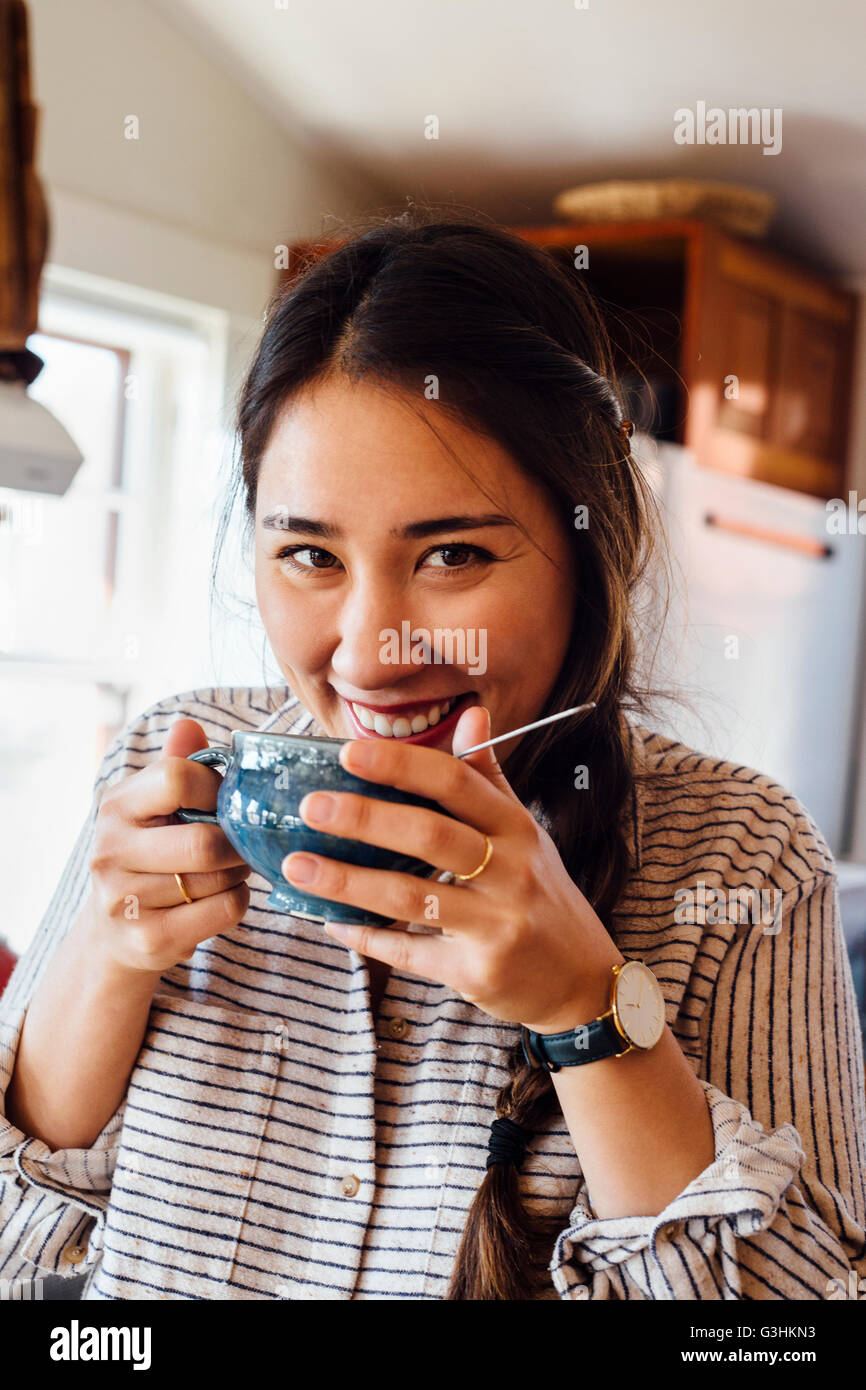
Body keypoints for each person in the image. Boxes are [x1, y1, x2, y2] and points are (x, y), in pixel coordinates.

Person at [1, 206, 864, 1301]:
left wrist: (588, 1012)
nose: (370, 650)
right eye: (309, 552)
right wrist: (105, 961)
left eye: (452, 552)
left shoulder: (737, 856)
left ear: (591, 543)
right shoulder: (169, 773)